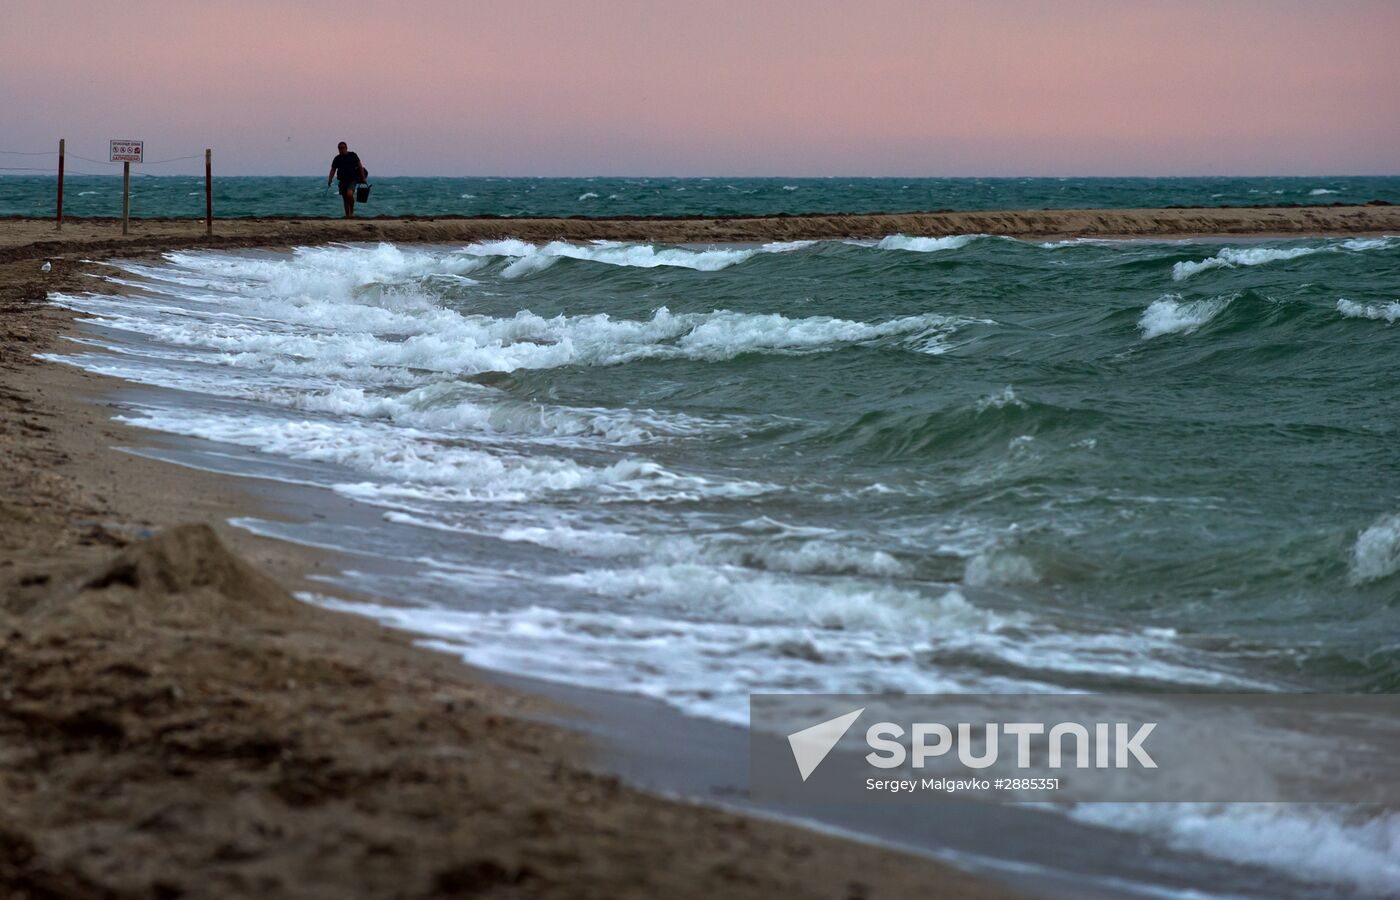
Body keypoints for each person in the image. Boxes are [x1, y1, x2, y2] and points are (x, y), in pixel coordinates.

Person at [327, 142, 367, 218]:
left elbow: (360, 166)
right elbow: (333, 170)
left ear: (346, 148)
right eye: (339, 148)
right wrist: (330, 179)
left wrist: (363, 178)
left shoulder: (353, 155)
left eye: (342, 148)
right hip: (342, 181)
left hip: (352, 179)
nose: (341, 149)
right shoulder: (337, 158)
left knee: (349, 194)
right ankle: (347, 215)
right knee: (345, 199)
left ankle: (351, 211)